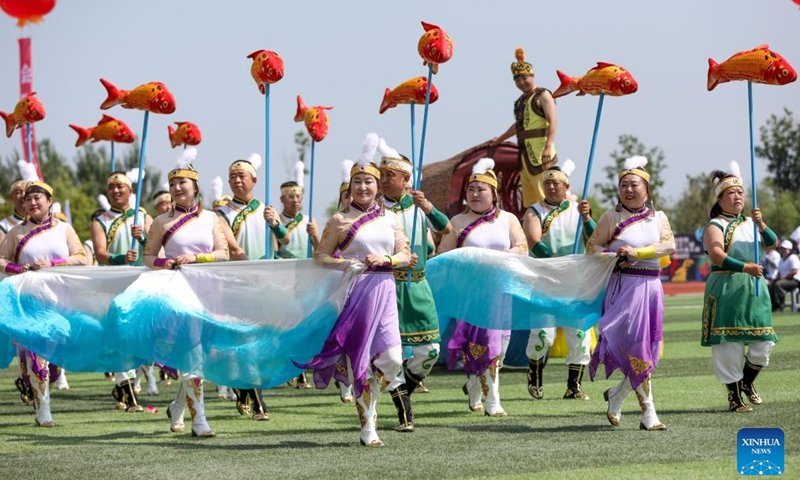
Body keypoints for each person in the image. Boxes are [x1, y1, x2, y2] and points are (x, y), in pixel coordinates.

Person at [295, 133, 411, 447]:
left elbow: (405, 255)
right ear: (350, 186)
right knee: (358, 363)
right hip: (352, 296)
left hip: (384, 293)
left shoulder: (392, 219)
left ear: (378, 186)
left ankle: (372, 401)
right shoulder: (339, 220)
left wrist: (385, 259)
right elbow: (320, 256)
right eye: (357, 182)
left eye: (368, 182)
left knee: (393, 360)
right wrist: (346, 263)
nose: (363, 187)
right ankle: (367, 426)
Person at [144, 149, 230, 437]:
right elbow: (148, 257)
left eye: (183, 183)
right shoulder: (161, 222)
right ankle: (200, 420)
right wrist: (164, 262)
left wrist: (196, 259)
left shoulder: (212, 219)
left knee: (201, 357)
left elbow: (223, 254)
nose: (177, 188)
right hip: (178, 292)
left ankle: (178, 407)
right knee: (192, 354)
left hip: (209, 290)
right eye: (173, 184)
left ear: (195, 186)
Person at [587, 156, 675, 431]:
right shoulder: (611, 217)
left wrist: (638, 252)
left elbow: (668, 245)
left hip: (651, 289)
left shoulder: (659, 217)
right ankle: (649, 412)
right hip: (624, 288)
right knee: (637, 350)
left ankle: (617, 395)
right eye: (623, 184)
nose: (628, 189)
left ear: (647, 189)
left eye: (634, 184)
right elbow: (592, 247)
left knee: (651, 352)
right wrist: (613, 255)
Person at [439, 158, 528, 417]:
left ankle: (475, 386)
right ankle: (493, 401)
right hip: (473, 293)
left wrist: (498, 259)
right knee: (484, 344)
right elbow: (443, 255)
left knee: (501, 347)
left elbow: (522, 247)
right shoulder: (456, 221)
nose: (475, 194)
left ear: (494, 194)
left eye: (481, 189)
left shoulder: (508, 219)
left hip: (503, 289)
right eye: (471, 189)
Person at [377, 137, 452, 432]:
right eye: (381, 175)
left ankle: (401, 389)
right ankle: (403, 410)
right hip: (386, 285)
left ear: (406, 179)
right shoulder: (374, 207)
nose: (382, 181)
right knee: (391, 354)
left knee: (430, 351)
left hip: (418, 285)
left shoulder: (419, 205)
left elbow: (446, 228)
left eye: (389, 176)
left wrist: (428, 206)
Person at [0, 178, 88, 427]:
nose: (32, 202)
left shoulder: (64, 229)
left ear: (50, 201)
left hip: (62, 301)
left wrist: (53, 264)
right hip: (29, 300)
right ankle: (43, 409)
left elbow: (82, 258)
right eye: (28, 199)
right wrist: (18, 268)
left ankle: (44, 386)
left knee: (55, 359)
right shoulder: (16, 232)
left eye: (38, 197)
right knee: (36, 355)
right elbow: (1, 260)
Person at [702, 164, 779, 413]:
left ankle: (746, 382)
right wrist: (745, 267)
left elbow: (772, 244)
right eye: (731, 193)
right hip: (726, 287)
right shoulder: (715, 224)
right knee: (729, 346)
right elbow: (716, 254)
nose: (737, 197)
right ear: (720, 198)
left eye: (740, 192)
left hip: (754, 288)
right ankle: (734, 398)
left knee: (763, 344)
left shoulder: (750, 222)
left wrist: (762, 224)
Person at [521, 161, 596, 401]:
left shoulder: (578, 209)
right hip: (544, 279)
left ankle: (574, 386)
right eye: (548, 183)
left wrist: (586, 218)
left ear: (567, 186)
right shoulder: (534, 211)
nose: (552, 187)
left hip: (575, 281)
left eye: (556, 183)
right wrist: (556, 263)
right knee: (544, 335)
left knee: (579, 334)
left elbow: (594, 238)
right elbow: (533, 240)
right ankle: (534, 375)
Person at [90, 170, 154, 410]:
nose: (116, 191)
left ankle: (126, 384)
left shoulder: (143, 216)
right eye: (111, 188)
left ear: (130, 191)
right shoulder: (100, 220)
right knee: (118, 335)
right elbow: (100, 253)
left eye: (121, 187)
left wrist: (143, 237)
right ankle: (124, 386)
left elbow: (154, 247)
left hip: (139, 282)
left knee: (138, 334)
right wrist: (119, 257)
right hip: (113, 282)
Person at [215, 155, 272, 420]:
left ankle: (243, 386)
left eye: (242, 177)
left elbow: (281, 243)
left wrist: (277, 226)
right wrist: (250, 270)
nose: (237, 181)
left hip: (262, 284)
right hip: (235, 283)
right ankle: (256, 400)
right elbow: (233, 250)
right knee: (242, 338)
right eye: (233, 178)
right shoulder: (220, 214)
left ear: (254, 180)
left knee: (256, 339)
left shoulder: (266, 210)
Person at [264, 162, 321, 390]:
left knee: (302, 324)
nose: (295, 200)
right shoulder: (275, 222)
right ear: (282, 199)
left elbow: (320, 249)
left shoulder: (309, 220)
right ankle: (286, 367)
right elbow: (275, 250)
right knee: (283, 324)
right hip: (284, 279)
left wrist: (315, 235)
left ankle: (300, 368)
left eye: (298, 196)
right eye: (290, 197)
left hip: (305, 278)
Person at [490, 47, 557, 208]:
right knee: (531, 198)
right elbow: (518, 126)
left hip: (541, 152)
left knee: (546, 193)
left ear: (532, 76)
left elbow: (553, 121)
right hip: (525, 154)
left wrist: (548, 146)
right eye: (517, 79)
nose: (521, 82)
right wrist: (500, 140)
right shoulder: (521, 101)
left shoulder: (543, 95)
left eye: (524, 77)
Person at [770, 240, 800, 312]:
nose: (782, 250)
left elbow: (795, 271)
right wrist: (776, 278)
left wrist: (784, 277)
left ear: (789, 249)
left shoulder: (793, 257)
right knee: (772, 284)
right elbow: (780, 273)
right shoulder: (781, 260)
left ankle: (780, 304)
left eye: (784, 249)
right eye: (781, 248)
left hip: (794, 280)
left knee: (778, 284)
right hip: (785, 280)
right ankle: (774, 304)